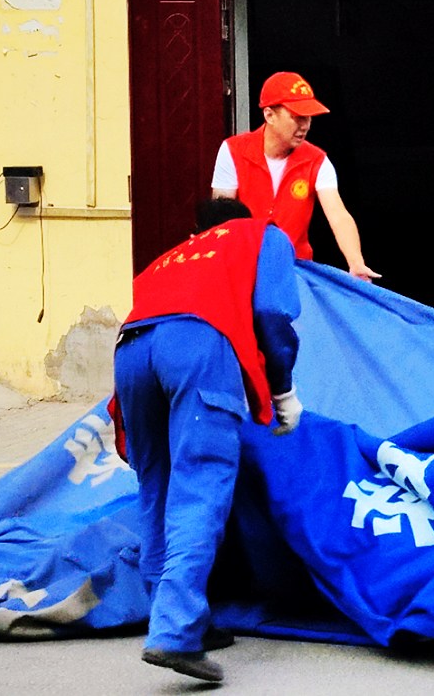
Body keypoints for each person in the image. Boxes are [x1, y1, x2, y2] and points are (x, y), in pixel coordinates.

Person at [109, 198, 305, 681]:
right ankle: (174, 633)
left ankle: (171, 615)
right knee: (200, 485)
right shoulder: (262, 234)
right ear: (243, 219)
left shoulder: (172, 256)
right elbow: (273, 309)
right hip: (197, 342)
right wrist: (282, 389)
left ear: (200, 229)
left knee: (157, 487)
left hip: (131, 350)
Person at [212, 70, 379, 280]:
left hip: (294, 269)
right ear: (269, 115)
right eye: (297, 117)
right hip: (242, 266)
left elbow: (338, 215)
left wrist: (356, 262)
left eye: (308, 117)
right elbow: (220, 215)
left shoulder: (317, 160)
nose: (305, 126)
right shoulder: (233, 150)